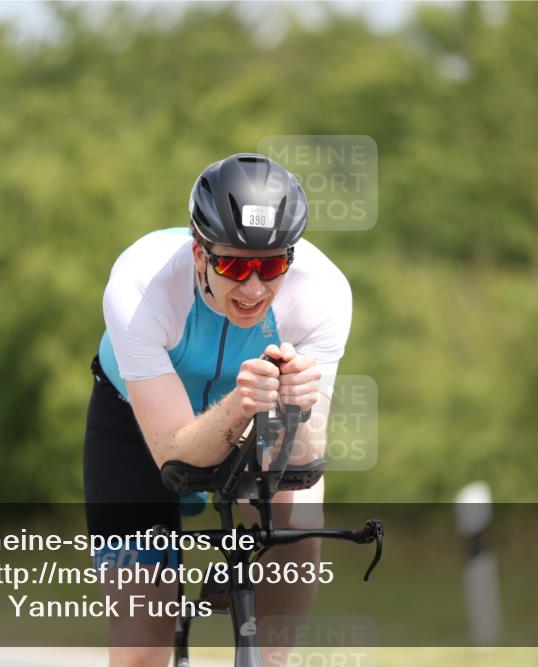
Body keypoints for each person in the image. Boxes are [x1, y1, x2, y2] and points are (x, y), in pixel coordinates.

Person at [83, 153, 352, 666]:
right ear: (199, 253)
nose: (253, 288)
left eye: (271, 266)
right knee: (143, 640)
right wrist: (236, 409)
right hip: (136, 422)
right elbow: (175, 455)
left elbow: (305, 461)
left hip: (257, 415)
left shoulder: (324, 292)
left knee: (297, 532)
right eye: (233, 265)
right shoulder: (141, 283)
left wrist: (298, 410)